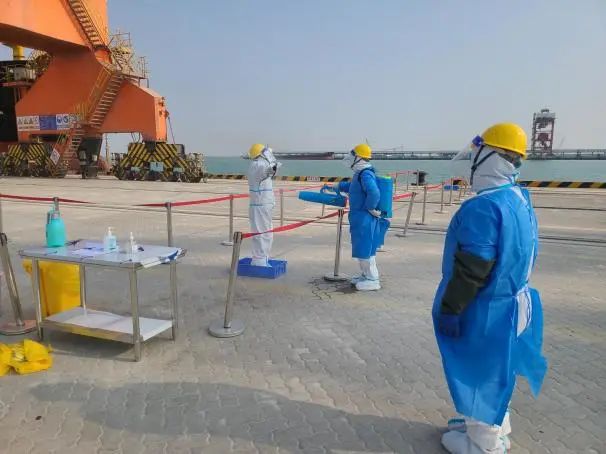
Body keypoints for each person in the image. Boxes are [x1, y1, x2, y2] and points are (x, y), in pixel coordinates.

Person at [433, 123, 547, 453]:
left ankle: (484, 443)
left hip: (485, 309)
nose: (472, 162)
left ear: (491, 158)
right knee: (499, 370)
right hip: (514, 303)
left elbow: (473, 268)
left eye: (477, 154)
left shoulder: (483, 207)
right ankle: (494, 426)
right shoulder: (517, 196)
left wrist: (451, 309)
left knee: (478, 372)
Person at [327, 144, 390, 291]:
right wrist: (337, 186)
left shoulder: (365, 174)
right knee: (362, 248)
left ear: (359, 158)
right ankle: (365, 275)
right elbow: (352, 187)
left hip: (364, 217)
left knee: (365, 248)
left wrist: (370, 207)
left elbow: (374, 192)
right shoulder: (360, 173)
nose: (350, 158)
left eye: (353, 156)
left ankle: (372, 279)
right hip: (359, 216)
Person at [247, 143, 280, 266]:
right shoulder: (258, 165)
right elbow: (270, 168)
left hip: (262, 205)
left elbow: (272, 170)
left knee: (265, 232)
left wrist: (268, 155)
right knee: (262, 233)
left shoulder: (258, 164)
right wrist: (269, 155)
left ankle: (262, 259)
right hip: (260, 205)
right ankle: (259, 260)